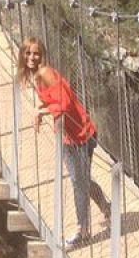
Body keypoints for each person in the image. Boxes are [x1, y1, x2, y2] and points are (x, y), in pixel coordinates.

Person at [19, 37, 109, 246]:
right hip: (70, 136)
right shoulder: (38, 76)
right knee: (82, 180)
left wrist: (41, 112)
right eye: (28, 53)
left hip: (81, 136)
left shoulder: (45, 73)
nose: (32, 57)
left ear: (42, 55)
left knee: (79, 181)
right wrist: (40, 109)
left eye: (36, 53)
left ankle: (82, 231)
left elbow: (65, 104)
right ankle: (106, 207)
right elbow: (54, 99)